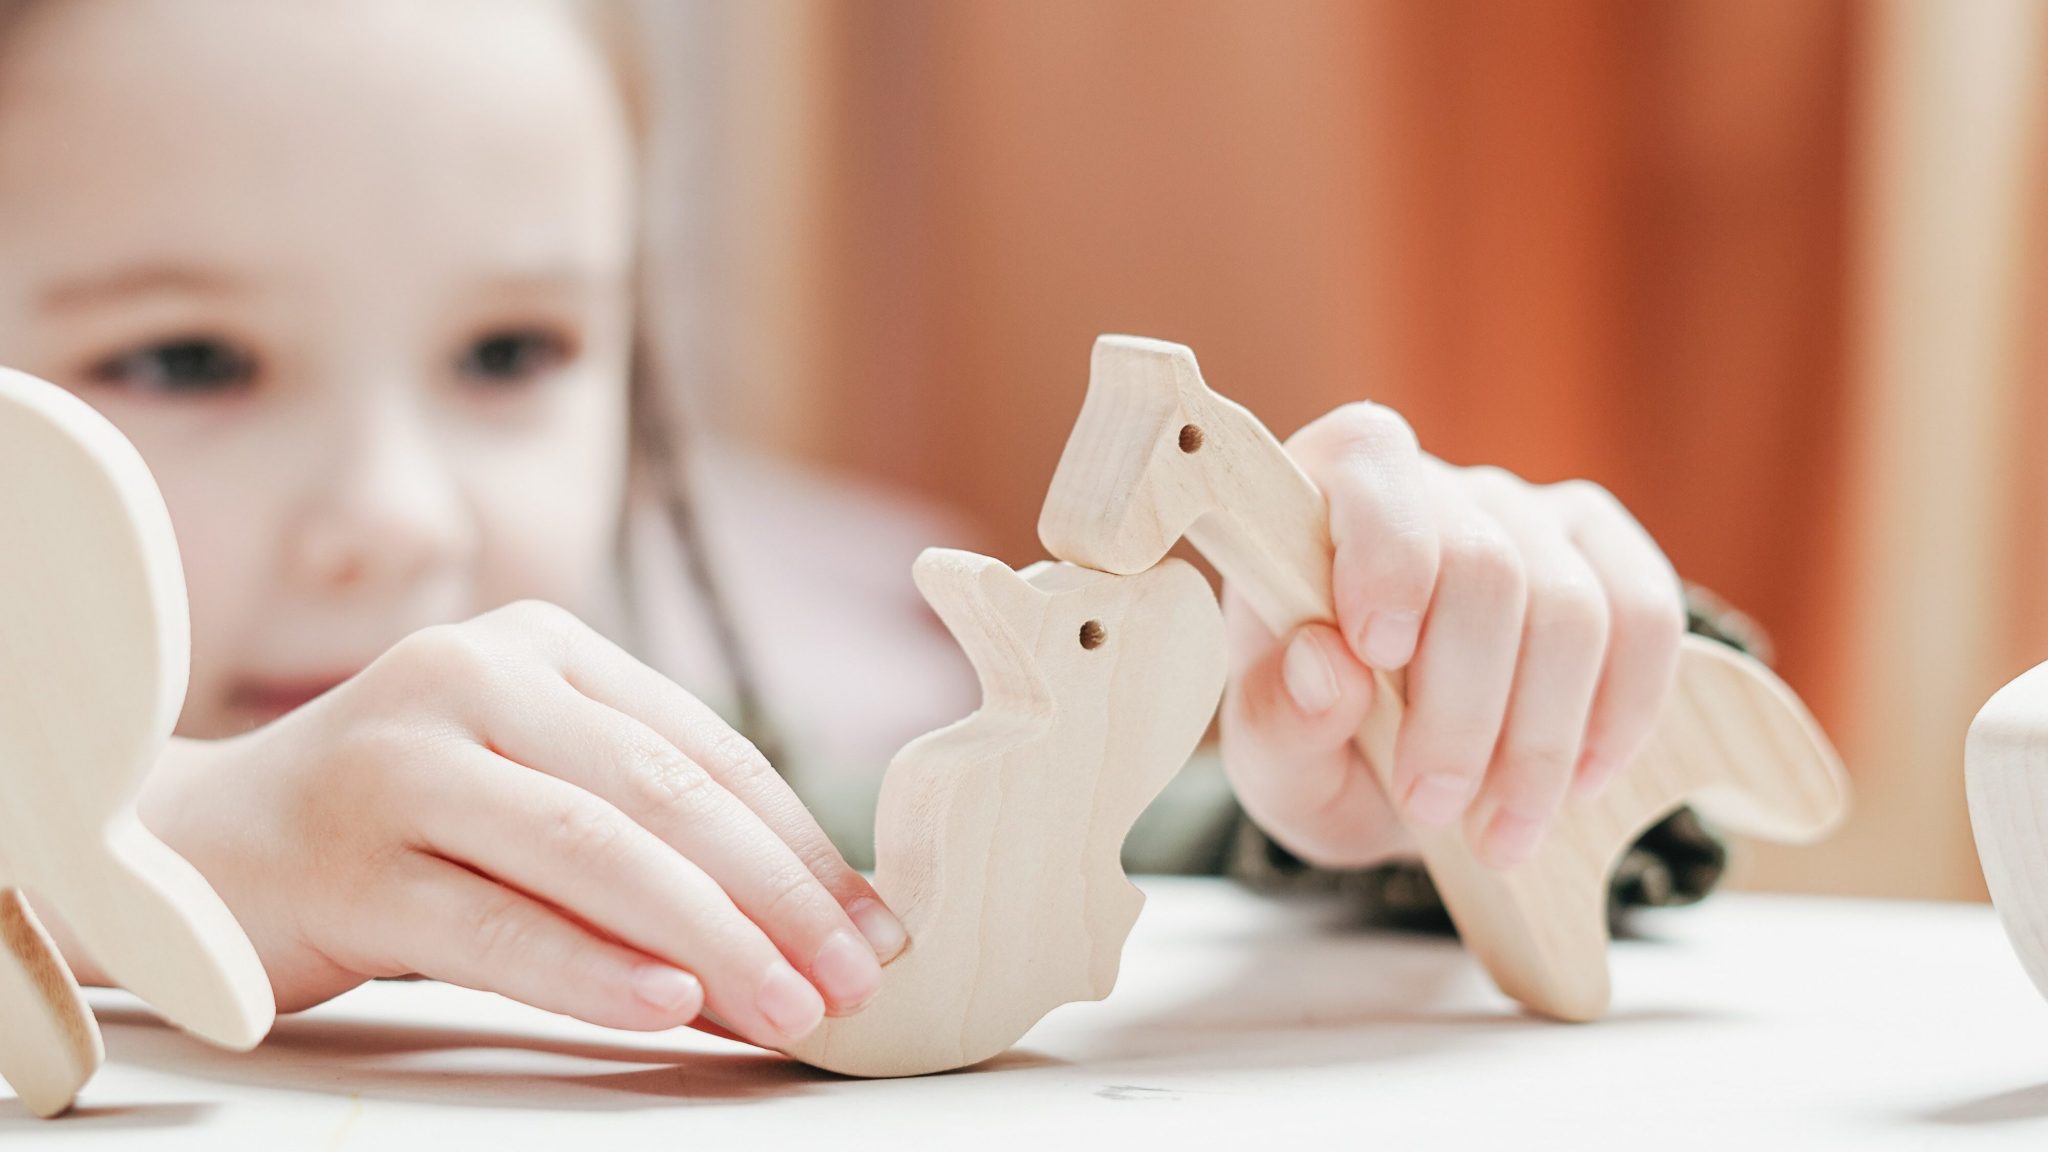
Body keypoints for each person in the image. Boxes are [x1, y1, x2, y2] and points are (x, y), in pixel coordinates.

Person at [0, 0, 1694, 1051]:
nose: (396, 519)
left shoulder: (716, 800)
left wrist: (1418, 729)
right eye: (184, 360)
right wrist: (125, 847)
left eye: (511, 353)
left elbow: (1115, 848)